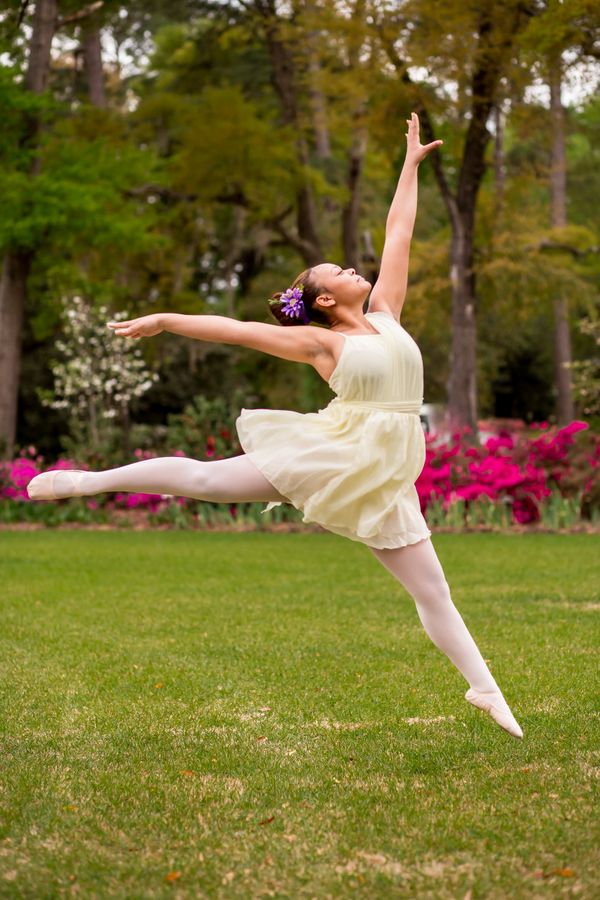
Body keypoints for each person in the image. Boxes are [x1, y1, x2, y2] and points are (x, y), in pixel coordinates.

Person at [27, 113, 523, 739]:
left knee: (434, 591)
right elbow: (238, 330)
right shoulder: (320, 344)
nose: (352, 269)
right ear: (320, 300)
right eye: (339, 272)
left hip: (389, 471)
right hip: (334, 449)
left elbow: (399, 231)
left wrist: (409, 166)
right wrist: (166, 320)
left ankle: (484, 688)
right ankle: (85, 482)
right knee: (207, 481)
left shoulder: (388, 314)